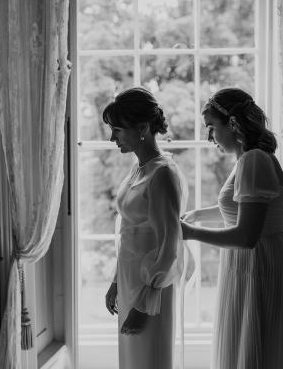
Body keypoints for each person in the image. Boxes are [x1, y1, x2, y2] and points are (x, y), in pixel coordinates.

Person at [180, 88, 283, 369]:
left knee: (257, 350)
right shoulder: (252, 159)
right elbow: (241, 211)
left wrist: (189, 233)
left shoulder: (253, 161)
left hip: (256, 264)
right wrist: (198, 215)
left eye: (212, 128)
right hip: (257, 262)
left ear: (233, 124)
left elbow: (247, 235)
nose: (209, 138)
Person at [103, 87, 188, 369]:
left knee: (149, 358)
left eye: (117, 130)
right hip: (129, 279)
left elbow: (169, 246)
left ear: (142, 128)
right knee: (131, 359)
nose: (112, 138)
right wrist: (116, 281)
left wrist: (143, 305)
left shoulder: (163, 174)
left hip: (151, 288)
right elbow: (127, 233)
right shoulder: (139, 168)